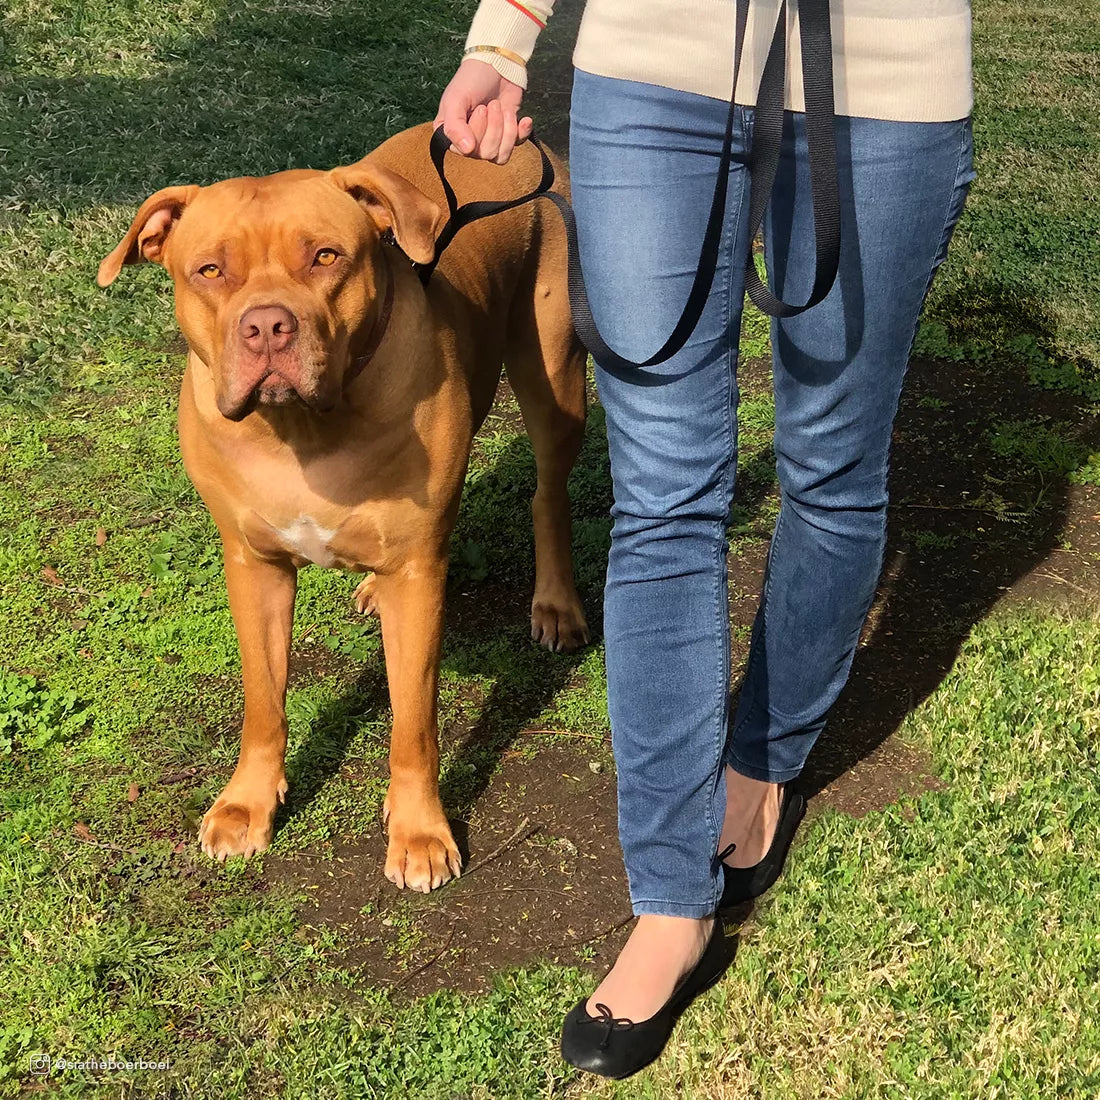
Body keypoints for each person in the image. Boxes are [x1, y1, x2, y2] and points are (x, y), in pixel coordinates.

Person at [436, 0, 974, 1079]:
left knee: (829, 465)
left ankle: (759, 766)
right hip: (653, 68)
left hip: (887, 76)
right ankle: (670, 902)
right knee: (663, 492)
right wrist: (501, 38)